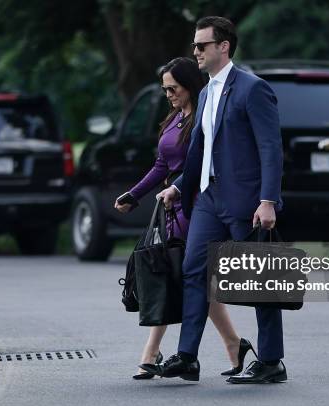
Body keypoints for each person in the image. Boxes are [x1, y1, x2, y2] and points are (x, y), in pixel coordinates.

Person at [140, 16, 286, 384]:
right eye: (194, 45)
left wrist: (267, 199)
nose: (195, 52)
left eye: (201, 45)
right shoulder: (205, 93)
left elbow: (271, 149)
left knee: (259, 280)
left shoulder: (253, 89)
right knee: (193, 272)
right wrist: (180, 186)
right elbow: (200, 154)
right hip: (207, 198)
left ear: (223, 46)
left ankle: (271, 361)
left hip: (245, 201)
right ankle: (187, 356)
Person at [114, 57, 255, 380]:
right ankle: (234, 344)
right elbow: (161, 166)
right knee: (192, 278)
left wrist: (177, 188)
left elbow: (202, 164)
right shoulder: (175, 118)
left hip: (197, 204)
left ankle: (152, 353)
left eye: (173, 88)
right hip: (171, 208)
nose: (169, 95)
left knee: (179, 274)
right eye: (165, 89)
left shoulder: (205, 118)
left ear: (190, 85)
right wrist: (133, 195)